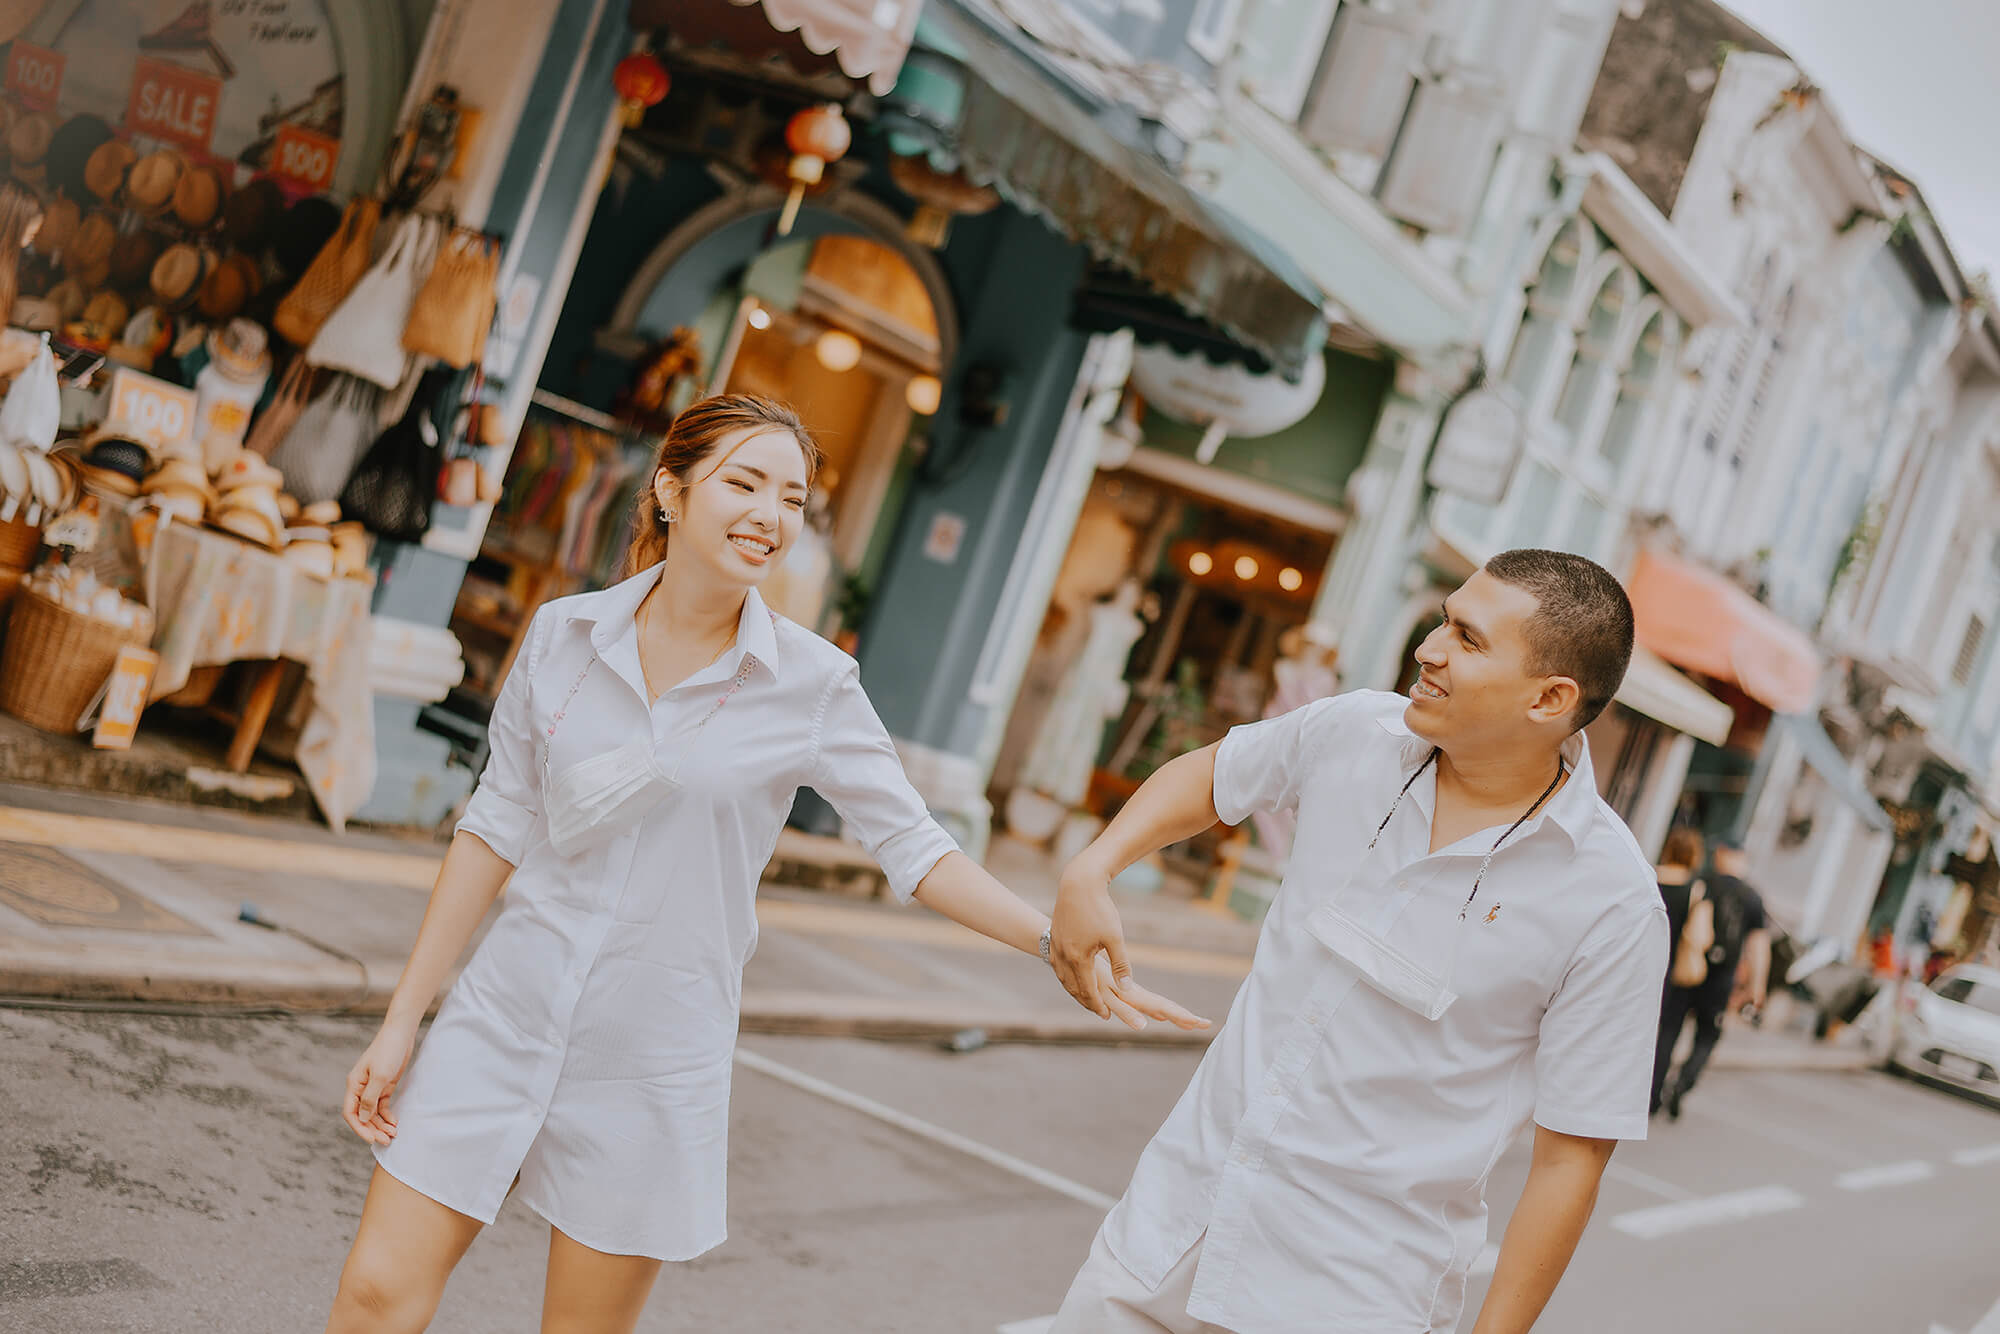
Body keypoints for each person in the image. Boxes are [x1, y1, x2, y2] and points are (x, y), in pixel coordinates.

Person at [324, 394, 1206, 1334]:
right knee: (376, 1296)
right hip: (502, 1014)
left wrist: (1048, 940)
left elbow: (916, 847)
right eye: (744, 483)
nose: (770, 515)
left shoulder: (812, 686)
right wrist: (402, 1021)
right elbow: (494, 828)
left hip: (652, 1059)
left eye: (793, 499)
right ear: (671, 487)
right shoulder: (564, 637)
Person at [1047, 549, 1669, 1334]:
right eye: (1445, 619)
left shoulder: (1612, 904)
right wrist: (1093, 868)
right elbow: (1214, 774)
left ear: (1550, 697)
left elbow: (1570, 1160)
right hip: (1164, 1238)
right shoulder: (1352, 731)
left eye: (1469, 640)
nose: (1429, 648)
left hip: (1348, 1300)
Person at [1654, 839, 1769, 1120]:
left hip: (1688, 970)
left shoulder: (1701, 882)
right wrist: (1757, 986)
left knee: (1669, 1030)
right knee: (1707, 1035)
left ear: (1720, 855)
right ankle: (1683, 1082)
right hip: (1721, 979)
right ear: (1741, 859)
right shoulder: (1752, 897)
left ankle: (1652, 1094)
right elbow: (1758, 946)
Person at [1648, 827, 1706, 1116]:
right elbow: (1700, 937)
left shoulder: (1648, 874)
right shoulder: (1694, 888)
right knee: (1665, 1033)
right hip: (1670, 968)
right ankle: (1651, 1095)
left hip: (1640, 958)